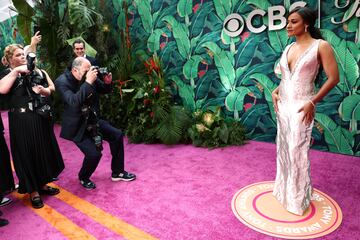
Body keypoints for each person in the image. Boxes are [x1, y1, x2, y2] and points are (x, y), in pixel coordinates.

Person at [271, 6, 339, 215]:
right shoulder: (288, 48)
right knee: (283, 148)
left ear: (306, 24)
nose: (288, 25)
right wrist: (275, 91)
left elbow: (333, 78)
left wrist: (313, 102)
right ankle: (282, 192)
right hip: (283, 107)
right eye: (288, 21)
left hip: (303, 107)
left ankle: (297, 200)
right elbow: (287, 78)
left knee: (296, 150)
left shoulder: (321, 46)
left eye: (294, 21)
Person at [55, 57, 135, 190]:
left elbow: (104, 89)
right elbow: (74, 102)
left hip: (92, 119)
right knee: (94, 154)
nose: (90, 72)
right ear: (75, 70)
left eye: (90, 69)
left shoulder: (88, 75)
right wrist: (87, 82)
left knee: (117, 135)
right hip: (77, 125)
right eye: (87, 70)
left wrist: (108, 83)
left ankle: (118, 172)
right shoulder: (62, 82)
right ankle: (83, 177)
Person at [0, 43, 64, 209]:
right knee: (26, 153)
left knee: (41, 151)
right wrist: (15, 72)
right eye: (18, 55)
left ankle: (42, 184)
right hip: (20, 121)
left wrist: (43, 90)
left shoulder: (35, 70)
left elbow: (51, 88)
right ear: (9, 59)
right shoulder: (7, 73)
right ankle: (33, 191)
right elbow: (3, 89)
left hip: (38, 117)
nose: (22, 56)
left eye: (23, 54)